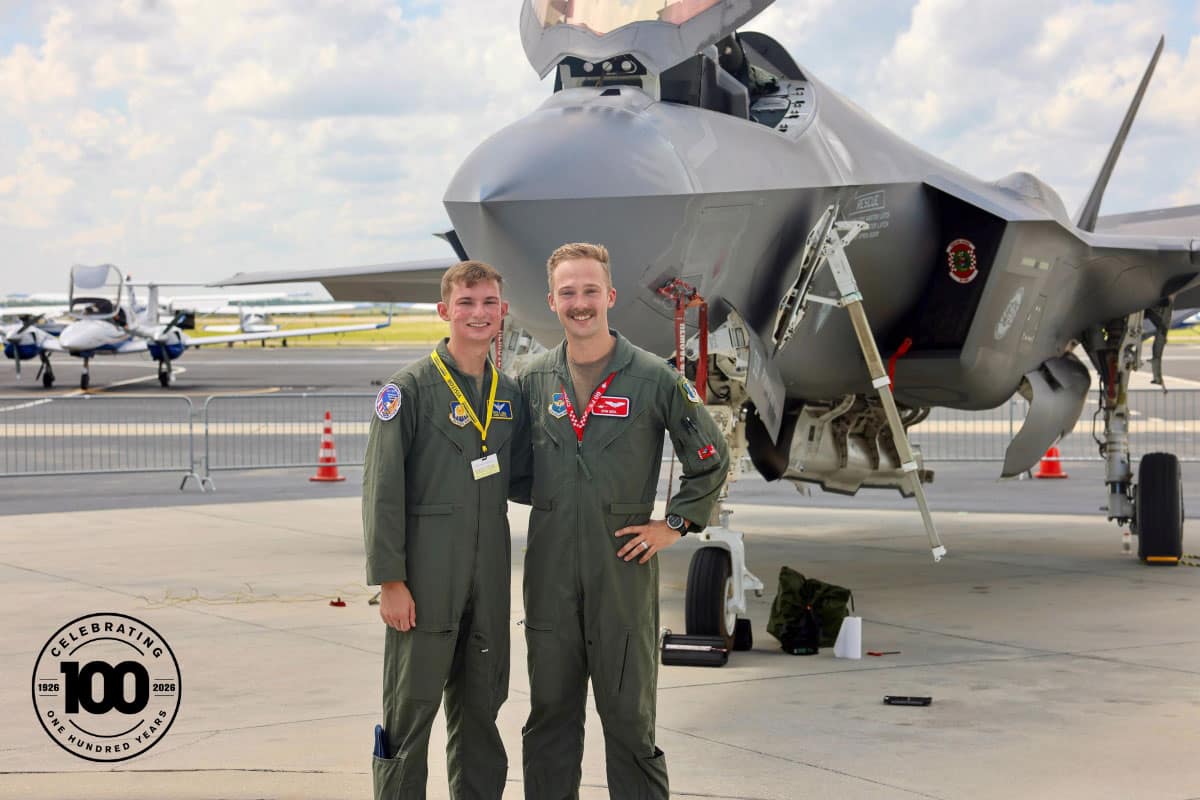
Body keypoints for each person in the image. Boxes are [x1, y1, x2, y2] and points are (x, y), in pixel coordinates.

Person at [516, 242, 730, 798]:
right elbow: (511, 468)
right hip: (550, 575)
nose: (580, 303)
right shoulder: (533, 379)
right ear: (552, 301)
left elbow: (710, 458)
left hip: (622, 571)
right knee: (549, 719)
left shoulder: (654, 378)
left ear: (609, 296)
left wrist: (674, 524)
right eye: (568, 293)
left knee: (630, 721)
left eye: (590, 290)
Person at [363, 260, 529, 800]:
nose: (479, 313)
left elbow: (529, 477)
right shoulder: (409, 390)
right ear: (444, 310)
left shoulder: (509, 395)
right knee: (410, 712)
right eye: (466, 303)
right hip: (426, 577)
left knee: (482, 709)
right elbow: (382, 489)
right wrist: (390, 580)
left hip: (489, 575)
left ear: (503, 311)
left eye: (489, 303)